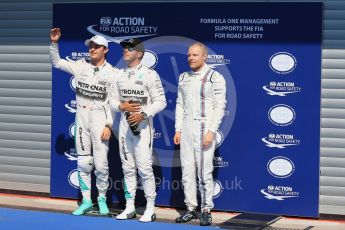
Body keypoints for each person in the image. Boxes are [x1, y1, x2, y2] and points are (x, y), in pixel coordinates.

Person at [50, 28, 117, 216]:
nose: (92, 49)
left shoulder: (113, 73)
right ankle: (87, 201)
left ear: (105, 49)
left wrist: (109, 125)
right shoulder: (81, 66)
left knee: (101, 164)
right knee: (83, 162)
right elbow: (56, 62)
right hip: (82, 117)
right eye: (91, 46)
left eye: (96, 47)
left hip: (100, 119)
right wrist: (54, 43)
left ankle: (101, 199)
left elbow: (114, 102)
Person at [110, 38, 166, 222]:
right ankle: (130, 207)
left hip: (143, 127)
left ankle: (150, 208)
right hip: (125, 126)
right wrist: (121, 106)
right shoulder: (119, 75)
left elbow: (161, 101)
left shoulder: (150, 75)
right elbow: (111, 101)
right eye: (124, 48)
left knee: (144, 168)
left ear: (139, 53)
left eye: (130, 48)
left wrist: (143, 113)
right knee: (127, 169)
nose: (125, 50)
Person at [173, 42, 227, 226]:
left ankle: (206, 210)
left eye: (195, 55)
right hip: (187, 127)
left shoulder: (215, 77)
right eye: (189, 55)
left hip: (204, 128)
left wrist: (211, 131)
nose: (190, 58)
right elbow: (180, 105)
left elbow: (220, 107)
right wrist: (178, 129)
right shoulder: (183, 77)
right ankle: (190, 208)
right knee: (187, 171)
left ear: (205, 57)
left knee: (204, 172)